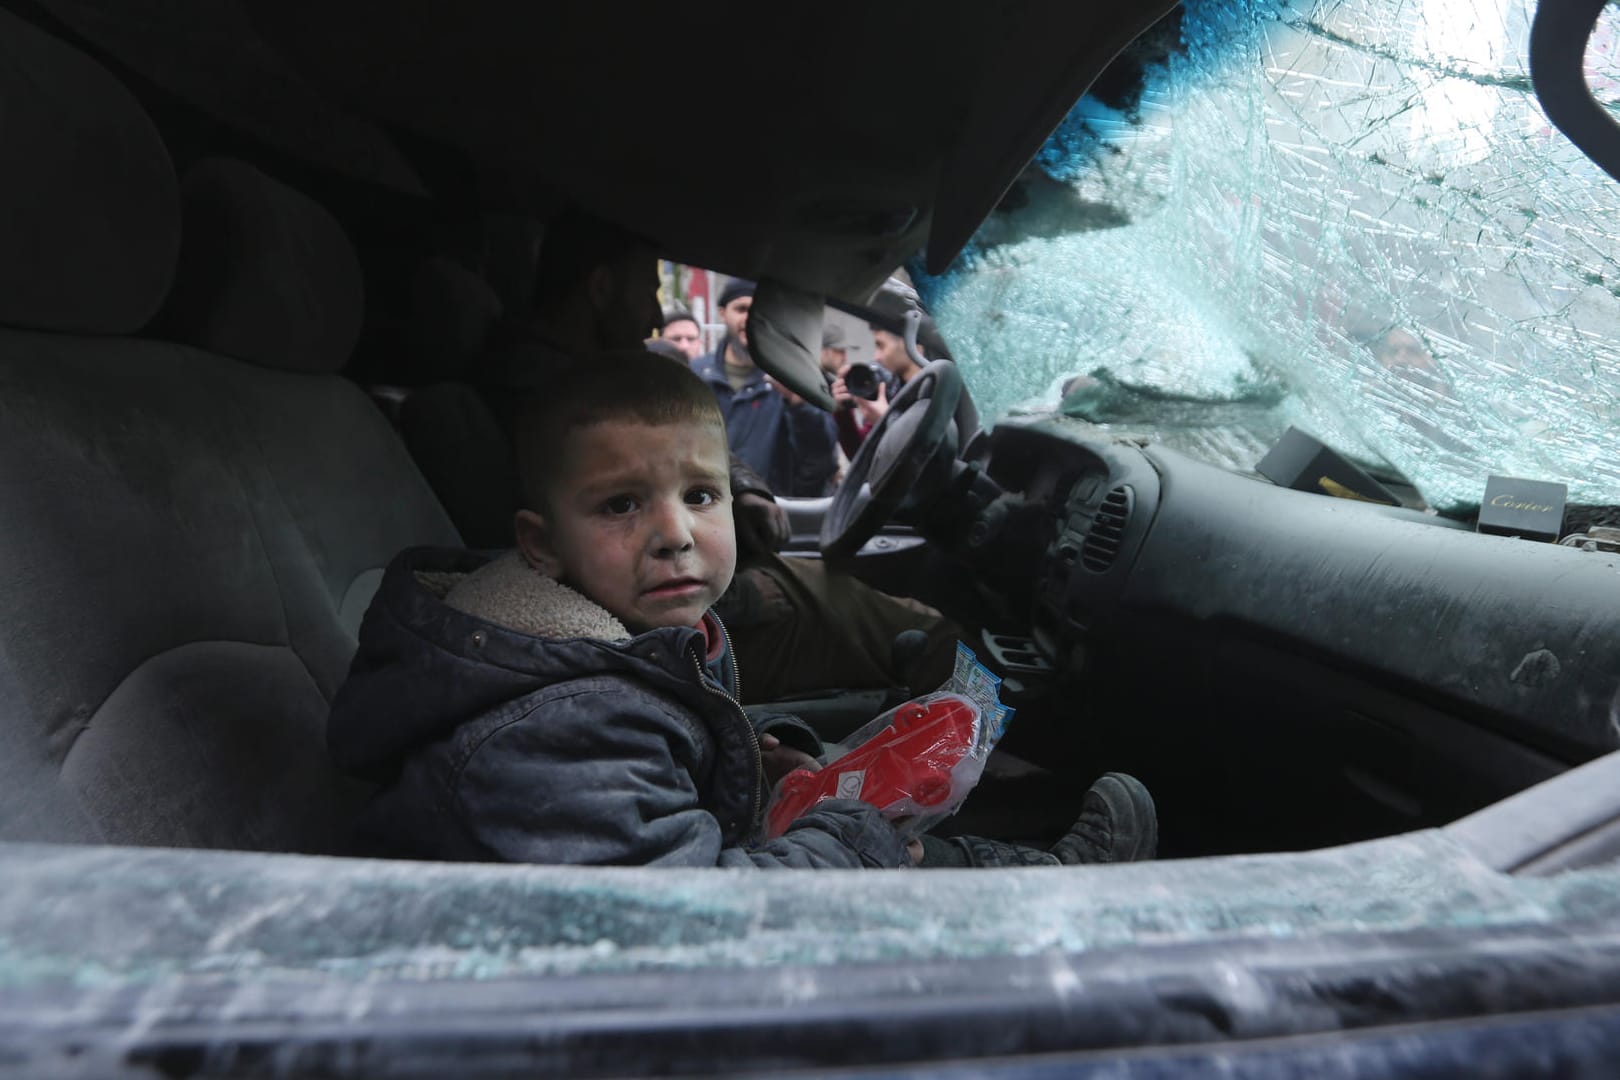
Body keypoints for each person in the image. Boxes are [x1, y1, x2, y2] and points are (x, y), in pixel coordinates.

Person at [327, 350, 1159, 868]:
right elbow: (698, 932)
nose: (675, 535)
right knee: (866, 846)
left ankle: (1036, 879)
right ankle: (1048, 904)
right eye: (620, 506)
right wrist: (849, 835)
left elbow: (665, 770)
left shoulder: (633, 641)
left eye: (700, 494)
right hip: (640, 969)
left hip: (667, 874)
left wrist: (759, 768)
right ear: (541, 545)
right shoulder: (552, 730)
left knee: (856, 830)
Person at [691, 280, 839, 497]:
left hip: (770, 512)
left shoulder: (793, 377)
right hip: (708, 510)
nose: (749, 318)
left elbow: (821, 457)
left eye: (757, 310)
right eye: (741, 309)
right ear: (722, 313)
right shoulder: (695, 374)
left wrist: (800, 405)